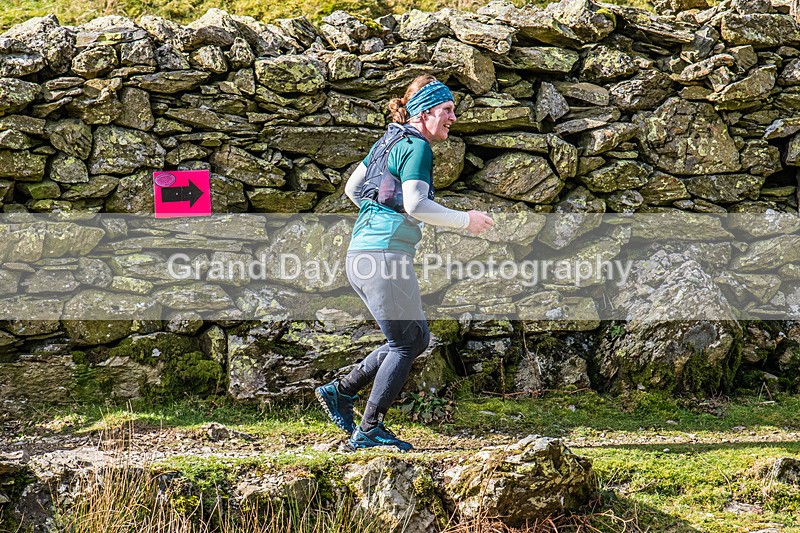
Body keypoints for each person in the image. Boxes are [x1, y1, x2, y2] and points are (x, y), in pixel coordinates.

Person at [315, 75, 494, 452]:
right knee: (405, 343)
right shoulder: (417, 147)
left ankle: (341, 392)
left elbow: (352, 189)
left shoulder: (390, 139)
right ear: (425, 112)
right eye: (447, 110)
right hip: (384, 256)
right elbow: (415, 204)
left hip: (362, 254)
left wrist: (378, 217)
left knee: (415, 338)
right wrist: (467, 220)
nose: (453, 118)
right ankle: (368, 430)